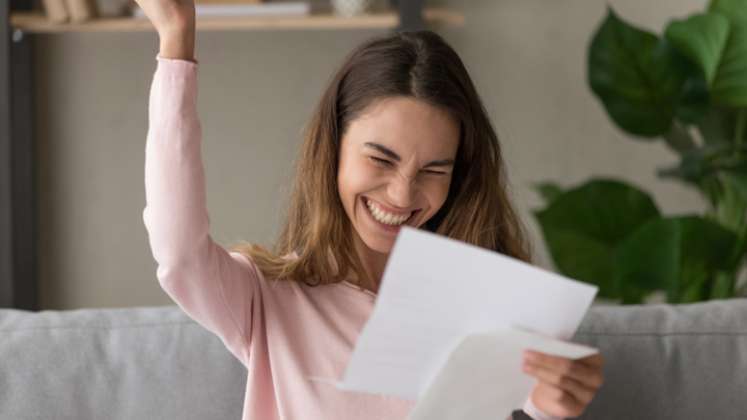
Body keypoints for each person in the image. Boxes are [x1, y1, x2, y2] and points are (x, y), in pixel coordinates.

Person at [136, 0, 604, 419]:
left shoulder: (487, 302)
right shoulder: (268, 301)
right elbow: (180, 255)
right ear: (333, 150)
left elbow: (540, 398)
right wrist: (177, 41)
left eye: (434, 170)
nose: (402, 196)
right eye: (380, 158)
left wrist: (553, 402)